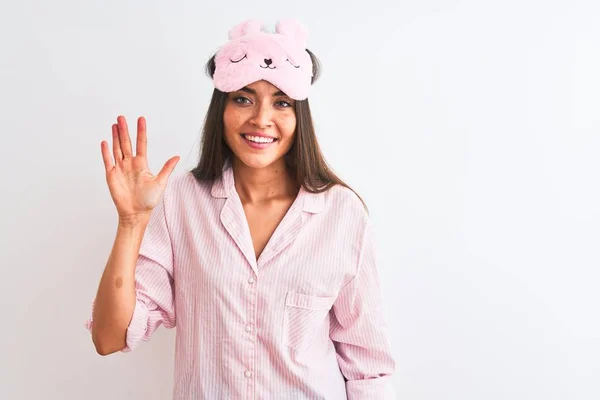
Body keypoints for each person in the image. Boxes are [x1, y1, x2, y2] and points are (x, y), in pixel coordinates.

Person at [85, 18, 396, 399]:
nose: (261, 119)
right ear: (222, 108)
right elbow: (109, 338)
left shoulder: (342, 213)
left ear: (300, 117)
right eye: (243, 98)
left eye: (281, 102)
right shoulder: (183, 202)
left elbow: (369, 368)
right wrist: (131, 223)